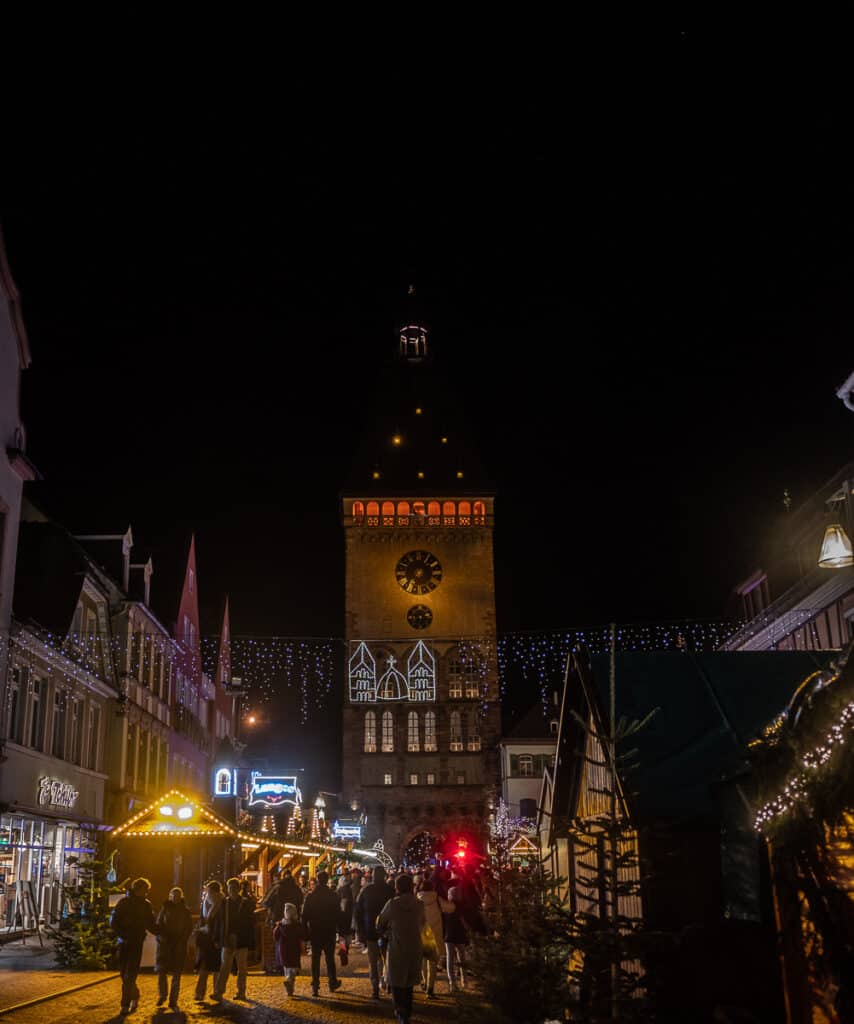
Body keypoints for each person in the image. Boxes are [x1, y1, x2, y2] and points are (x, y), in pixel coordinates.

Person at [377, 874, 426, 1024]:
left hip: (397, 946)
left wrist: (387, 932)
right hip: (414, 945)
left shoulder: (392, 904)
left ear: (397, 887)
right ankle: (407, 1011)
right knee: (409, 983)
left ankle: (400, 1012)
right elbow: (423, 923)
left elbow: (380, 922)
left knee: (397, 981)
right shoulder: (419, 904)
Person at [111, 877, 158, 1015]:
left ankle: (125, 1004)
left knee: (129, 974)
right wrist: (122, 934)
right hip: (125, 941)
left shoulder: (145, 904)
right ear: (139, 889)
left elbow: (150, 923)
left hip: (135, 942)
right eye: (145, 890)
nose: (146, 893)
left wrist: (161, 931)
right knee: (124, 973)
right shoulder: (125, 902)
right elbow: (114, 920)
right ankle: (135, 994)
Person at [355, 864, 395, 999]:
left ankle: (375, 988)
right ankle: (387, 982)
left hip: (370, 930)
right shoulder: (390, 891)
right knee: (387, 959)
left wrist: (360, 932)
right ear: (384, 876)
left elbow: (358, 912)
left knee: (373, 961)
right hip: (387, 931)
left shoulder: (366, 891)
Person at [214, 877, 256, 1001]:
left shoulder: (244, 903)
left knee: (241, 968)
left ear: (237, 889)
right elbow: (219, 922)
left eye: (233, 888)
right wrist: (217, 938)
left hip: (240, 940)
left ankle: (240, 992)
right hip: (229, 940)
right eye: (230, 888)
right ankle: (219, 991)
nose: (231, 890)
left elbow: (250, 923)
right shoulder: (225, 903)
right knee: (225, 967)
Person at [301, 870, 342, 996]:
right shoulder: (333, 895)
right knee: (330, 958)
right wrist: (339, 930)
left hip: (315, 931)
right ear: (327, 880)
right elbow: (338, 914)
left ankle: (315, 984)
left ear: (318, 880)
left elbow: (304, 915)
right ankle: (332, 982)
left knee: (315, 959)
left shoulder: (310, 896)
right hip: (329, 930)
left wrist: (305, 932)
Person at [155, 886, 193, 1010]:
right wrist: (160, 937)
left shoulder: (185, 911)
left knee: (176, 973)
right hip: (165, 944)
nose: (175, 898)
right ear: (170, 896)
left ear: (180, 897)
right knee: (162, 971)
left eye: (177, 896)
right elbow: (159, 924)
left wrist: (182, 940)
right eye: (173, 895)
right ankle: (163, 995)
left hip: (178, 944)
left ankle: (173, 999)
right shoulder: (165, 908)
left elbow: (188, 928)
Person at [417, 879, 454, 998]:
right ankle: (430, 988)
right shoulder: (437, 899)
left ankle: (423, 981)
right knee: (432, 963)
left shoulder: (417, 899)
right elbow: (451, 908)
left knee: (422, 960)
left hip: (421, 934)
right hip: (434, 935)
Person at [194, 880, 225, 1001]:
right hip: (206, 938)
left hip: (214, 939)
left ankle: (214, 992)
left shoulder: (221, 903)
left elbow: (220, 923)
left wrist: (216, 937)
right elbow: (203, 919)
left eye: (210, 890)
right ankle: (202, 992)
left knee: (214, 968)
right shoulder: (208, 903)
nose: (209, 893)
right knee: (206, 967)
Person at [273, 902, 304, 996]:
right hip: (294, 950)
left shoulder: (280, 925)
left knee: (287, 969)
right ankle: (289, 981)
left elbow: (276, 936)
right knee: (293, 969)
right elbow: (301, 936)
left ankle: (290, 990)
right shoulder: (297, 925)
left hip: (283, 950)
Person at [443, 885, 470, 993]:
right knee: (462, 957)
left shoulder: (447, 907)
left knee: (450, 958)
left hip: (449, 934)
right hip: (460, 934)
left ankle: (452, 982)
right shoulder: (462, 906)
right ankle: (464, 980)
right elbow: (464, 921)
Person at [337, 874, 354, 965]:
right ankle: (344, 948)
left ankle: (343, 950)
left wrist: (341, 913)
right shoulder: (349, 889)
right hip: (348, 915)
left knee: (342, 934)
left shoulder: (342, 890)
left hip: (343, 916)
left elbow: (343, 903)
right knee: (346, 933)